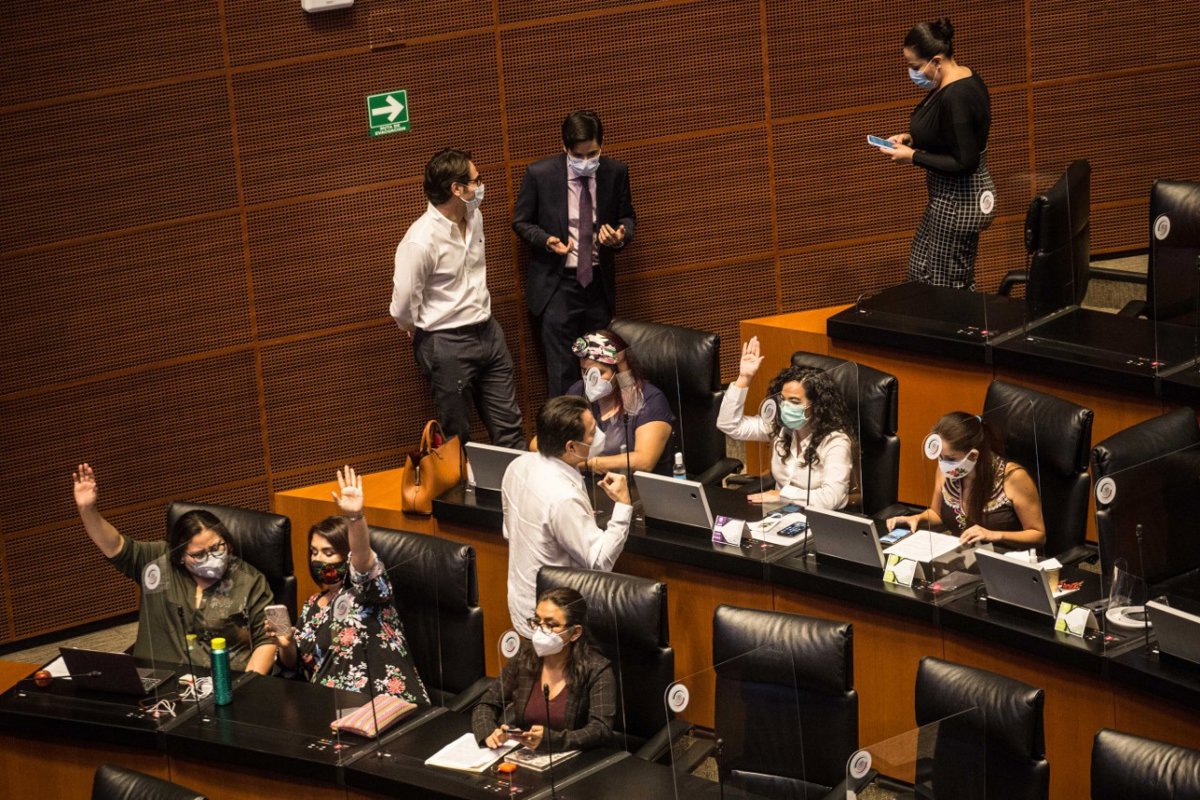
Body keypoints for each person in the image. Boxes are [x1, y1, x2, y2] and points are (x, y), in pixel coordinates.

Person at [71, 463, 276, 674]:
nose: (212, 557)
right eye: (199, 555)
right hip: (156, 681)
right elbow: (114, 545)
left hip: (218, 683)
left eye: (217, 547)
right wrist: (88, 511)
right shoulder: (158, 563)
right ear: (180, 556)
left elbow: (267, 641)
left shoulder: (249, 581)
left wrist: (247, 685)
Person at [391, 148, 525, 449]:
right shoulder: (420, 241)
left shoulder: (474, 217)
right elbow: (402, 307)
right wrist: (414, 328)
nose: (481, 187)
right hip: (446, 343)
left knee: (510, 429)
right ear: (457, 189)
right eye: (476, 181)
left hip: (489, 333)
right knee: (457, 439)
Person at [266, 466, 429, 703]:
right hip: (332, 707)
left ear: (346, 554)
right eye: (314, 552)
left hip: (386, 703)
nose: (318, 559)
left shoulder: (368, 593)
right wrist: (287, 645)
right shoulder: (312, 605)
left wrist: (355, 517)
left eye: (328, 552)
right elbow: (296, 668)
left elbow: (363, 561)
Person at [513, 111, 637, 397]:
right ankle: (567, 425)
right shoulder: (540, 174)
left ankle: (603, 423)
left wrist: (619, 236)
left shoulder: (615, 172)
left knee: (603, 370)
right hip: (558, 286)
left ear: (601, 146)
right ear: (564, 147)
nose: (585, 161)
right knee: (562, 376)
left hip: (597, 286)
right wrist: (546, 241)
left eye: (592, 154)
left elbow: (627, 217)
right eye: (578, 156)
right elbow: (521, 222)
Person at [875, 17, 995, 290]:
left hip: (959, 200)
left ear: (937, 61)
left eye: (915, 66)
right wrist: (911, 138)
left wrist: (913, 156)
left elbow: (965, 161)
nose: (912, 73)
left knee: (946, 288)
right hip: (946, 198)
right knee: (920, 272)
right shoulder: (958, 78)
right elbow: (949, 133)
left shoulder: (957, 95)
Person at [503, 396, 632, 635]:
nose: (599, 436)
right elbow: (600, 561)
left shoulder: (517, 466)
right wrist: (623, 504)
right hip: (553, 622)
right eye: (592, 433)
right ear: (571, 447)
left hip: (522, 604)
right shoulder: (563, 497)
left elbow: (509, 531)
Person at [717, 337, 855, 508]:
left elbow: (831, 499)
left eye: (794, 401)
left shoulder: (835, 441)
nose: (786, 407)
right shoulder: (779, 426)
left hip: (816, 517)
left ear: (817, 406)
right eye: (783, 400)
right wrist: (744, 378)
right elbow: (729, 425)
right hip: (779, 513)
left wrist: (782, 495)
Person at [472, 587, 616, 753]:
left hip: (576, 759)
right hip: (525, 755)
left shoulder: (597, 669)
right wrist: (489, 732)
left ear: (575, 633)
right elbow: (487, 703)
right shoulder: (524, 655)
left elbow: (600, 729)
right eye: (537, 621)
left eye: (551, 625)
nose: (541, 631)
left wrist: (551, 740)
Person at [887, 412, 1046, 548]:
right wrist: (917, 518)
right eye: (941, 457)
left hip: (1004, 560)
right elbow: (937, 514)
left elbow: (1038, 535)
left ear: (973, 455)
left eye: (951, 458)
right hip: (961, 557)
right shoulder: (946, 467)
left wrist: (995, 535)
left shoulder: (1014, 477)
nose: (944, 464)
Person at [565, 329, 675, 475]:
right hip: (587, 483)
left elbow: (644, 461)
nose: (590, 381)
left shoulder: (650, 399)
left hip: (636, 485)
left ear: (619, 370)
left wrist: (584, 463)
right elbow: (542, 444)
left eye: (599, 373)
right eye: (585, 371)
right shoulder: (577, 392)